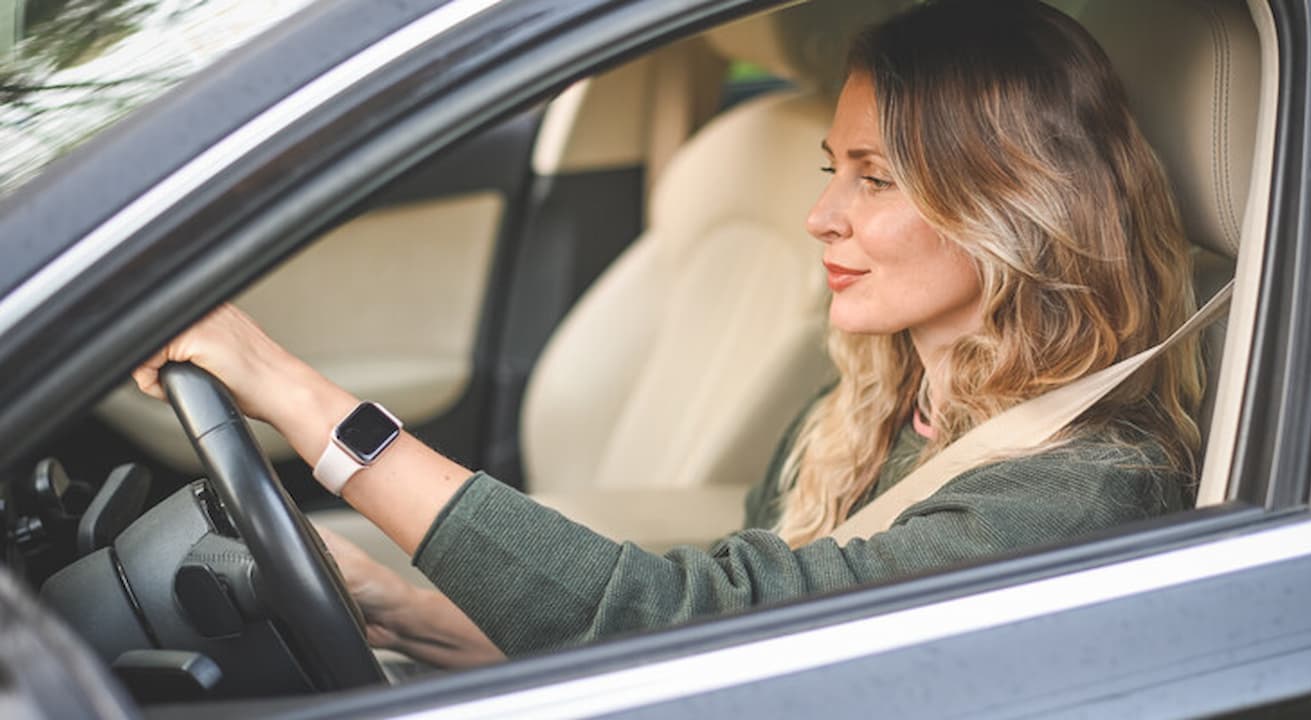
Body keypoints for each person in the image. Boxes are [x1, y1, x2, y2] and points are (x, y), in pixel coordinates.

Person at [133, 0, 1202, 667]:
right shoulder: (866, 411)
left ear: (1010, 207)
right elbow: (690, 658)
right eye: (833, 169)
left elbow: (687, 624)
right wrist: (402, 612)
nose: (820, 215)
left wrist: (289, 390)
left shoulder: (1071, 493)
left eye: (876, 179)